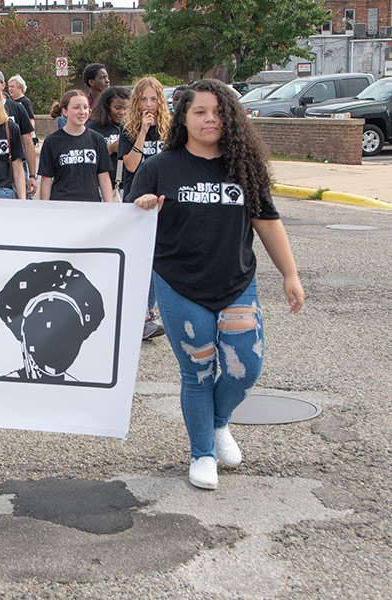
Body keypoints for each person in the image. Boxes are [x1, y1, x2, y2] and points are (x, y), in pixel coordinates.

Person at [131, 79, 304, 491]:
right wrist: (142, 208)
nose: (211, 119)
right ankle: (202, 452)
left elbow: (267, 221)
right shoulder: (161, 167)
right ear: (184, 118)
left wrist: (290, 274)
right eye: (200, 112)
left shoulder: (244, 166)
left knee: (245, 369)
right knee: (197, 372)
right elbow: (130, 223)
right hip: (179, 284)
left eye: (218, 111)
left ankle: (218, 422)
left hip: (236, 283)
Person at [118, 77, 170, 340]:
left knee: (159, 258)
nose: (149, 104)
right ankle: (139, 313)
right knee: (140, 257)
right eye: (144, 99)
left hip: (164, 199)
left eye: (153, 98)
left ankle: (148, 312)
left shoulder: (170, 130)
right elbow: (130, 165)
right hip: (138, 198)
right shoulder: (128, 130)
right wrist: (142, 131)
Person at [38, 90, 113, 203]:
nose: (82, 112)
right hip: (62, 205)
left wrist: (109, 207)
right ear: (65, 111)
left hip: (91, 206)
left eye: (85, 107)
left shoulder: (97, 139)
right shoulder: (52, 141)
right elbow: (46, 180)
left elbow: (104, 177)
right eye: (76, 107)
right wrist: (45, 209)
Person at [0, 69, 36, 196]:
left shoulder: (17, 108)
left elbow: (28, 143)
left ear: (2, 85)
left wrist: (33, 175)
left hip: (16, 163)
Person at [87, 86, 130, 193]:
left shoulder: (132, 127)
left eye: (126, 108)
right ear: (106, 107)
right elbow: (87, 157)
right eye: (117, 108)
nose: (122, 112)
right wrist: (110, 149)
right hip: (101, 185)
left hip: (127, 184)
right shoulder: (92, 128)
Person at [7, 75, 37, 145]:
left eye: (12, 87)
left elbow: (31, 120)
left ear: (20, 87)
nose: (10, 89)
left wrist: (28, 137)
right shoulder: (9, 102)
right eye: (9, 87)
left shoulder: (25, 102)